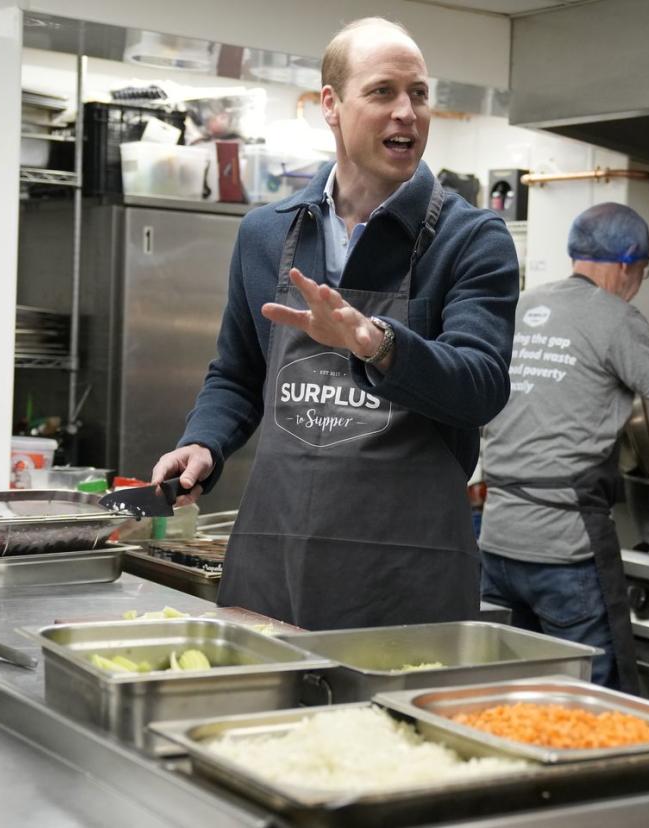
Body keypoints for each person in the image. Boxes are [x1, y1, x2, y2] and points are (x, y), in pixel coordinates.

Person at [151, 18, 519, 630]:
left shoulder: (471, 237)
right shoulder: (266, 234)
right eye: (382, 92)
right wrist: (202, 442)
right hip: (276, 561)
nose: (407, 112)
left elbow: (481, 385)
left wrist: (374, 344)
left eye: (419, 94)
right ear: (331, 104)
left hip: (406, 578)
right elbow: (238, 374)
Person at [479, 203, 649, 692]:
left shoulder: (518, 307)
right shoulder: (616, 318)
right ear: (627, 265)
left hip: (495, 541)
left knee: (509, 692)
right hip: (565, 550)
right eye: (643, 271)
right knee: (586, 696)